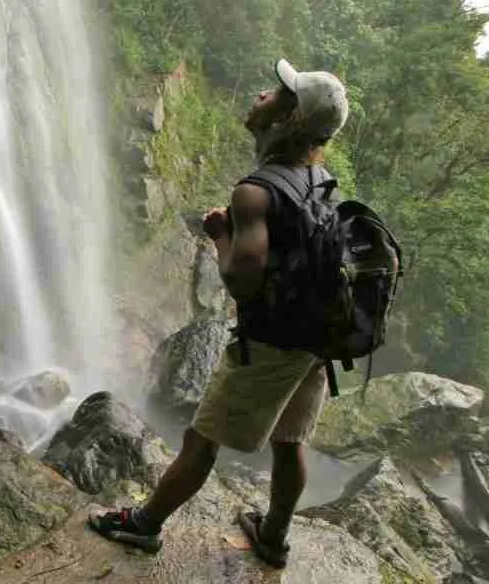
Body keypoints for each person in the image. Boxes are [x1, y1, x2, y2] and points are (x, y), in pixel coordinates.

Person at [90, 58, 351, 569]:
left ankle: (144, 527)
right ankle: (273, 536)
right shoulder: (320, 178)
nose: (262, 96)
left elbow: (242, 280)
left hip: (274, 341)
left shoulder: (256, 192)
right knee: (290, 439)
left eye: (277, 94)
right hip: (317, 338)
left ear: (291, 118)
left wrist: (221, 236)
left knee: (200, 438)